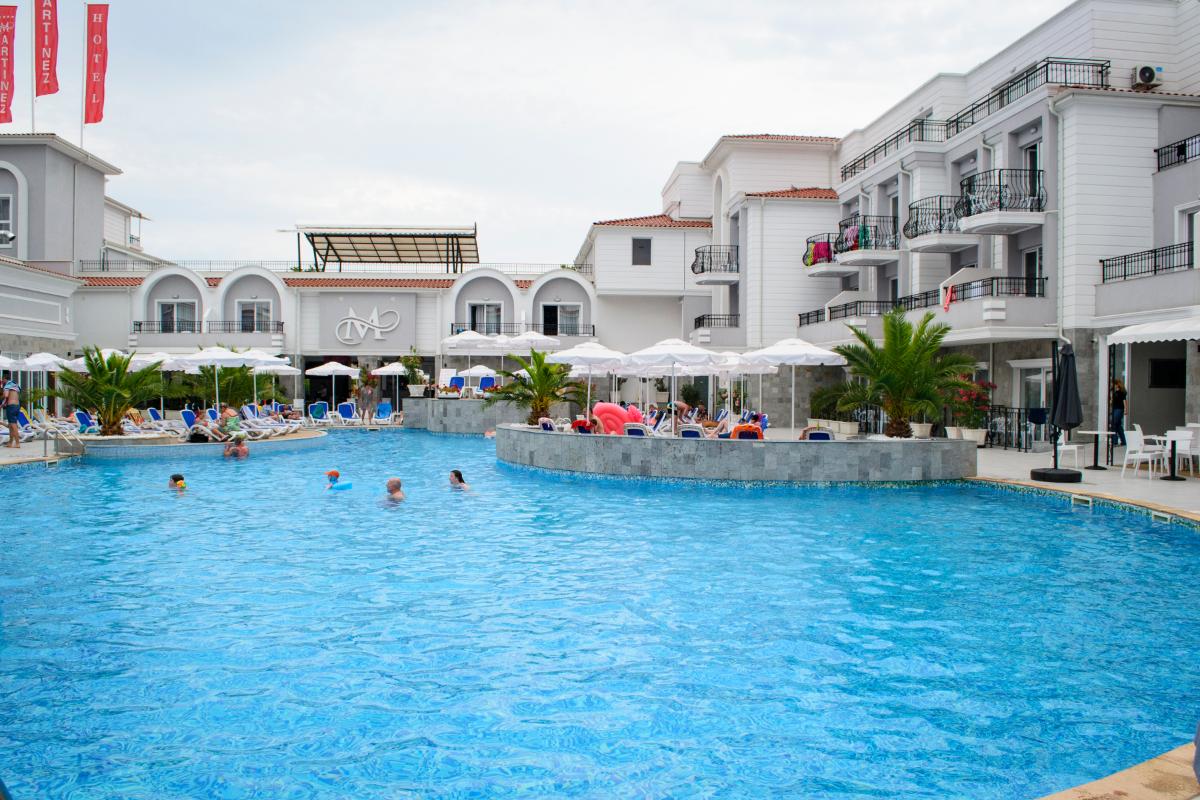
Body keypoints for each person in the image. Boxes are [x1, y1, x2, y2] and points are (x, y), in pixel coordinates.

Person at [3, 372, 20, 448]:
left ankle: (17, 443)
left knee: (13, 425)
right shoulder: (15, 385)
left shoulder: (7, 385)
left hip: (11, 406)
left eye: (2, 380)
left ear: (4, 379)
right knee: (10, 425)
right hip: (17, 406)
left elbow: (6, 395)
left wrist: (3, 395)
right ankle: (10, 442)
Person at [1110, 378, 1128, 447]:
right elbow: (1112, 402)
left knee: (1114, 424)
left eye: (1114, 384)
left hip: (1119, 409)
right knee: (1118, 426)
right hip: (1115, 409)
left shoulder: (1121, 392)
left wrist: (1126, 409)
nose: (1113, 385)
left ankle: (1115, 441)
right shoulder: (1114, 392)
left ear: (1117, 384)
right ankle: (1124, 441)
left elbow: (1124, 401)